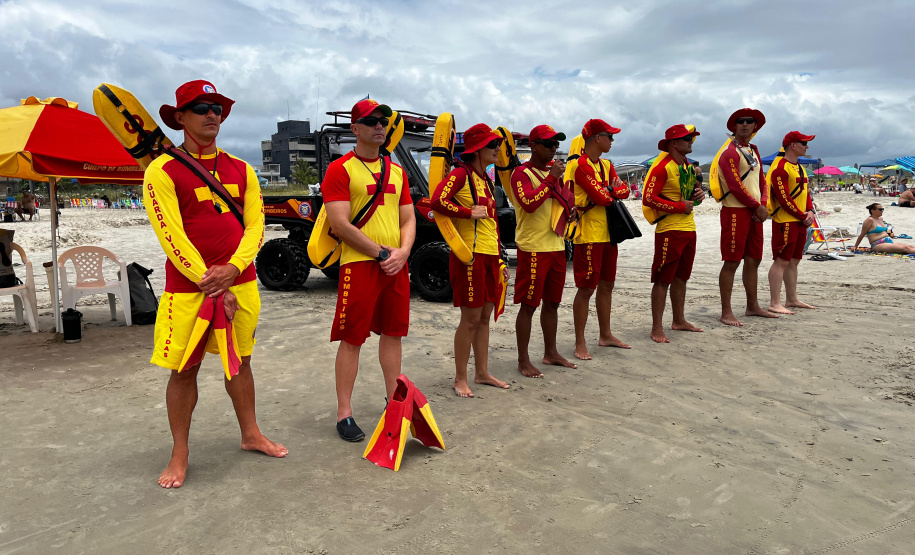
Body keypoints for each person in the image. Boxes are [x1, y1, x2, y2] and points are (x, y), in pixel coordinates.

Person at [144, 80, 286, 489]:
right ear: (181, 117)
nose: (212, 115)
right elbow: (171, 236)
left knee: (240, 362)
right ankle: (180, 453)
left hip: (241, 285)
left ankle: (250, 433)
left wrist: (234, 269)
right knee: (184, 370)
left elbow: (256, 224)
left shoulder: (241, 169)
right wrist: (212, 282)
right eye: (202, 107)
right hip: (189, 291)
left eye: (218, 109)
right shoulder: (162, 170)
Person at [322, 98, 415, 441]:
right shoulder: (341, 169)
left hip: (395, 265)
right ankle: (344, 412)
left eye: (384, 120)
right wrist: (380, 253)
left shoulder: (398, 171)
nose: (380, 125)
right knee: (352, 338)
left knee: (393, 334)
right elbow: (340, 223)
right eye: (372, 120)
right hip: (361, 264)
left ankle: (395, 402)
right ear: (355, 128)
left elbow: (408, 217)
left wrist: (403, 252)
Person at [431, 123, 511, 398]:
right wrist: (466, 212)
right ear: (478, 150)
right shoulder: (461, 174)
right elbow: (436, 201)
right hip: (470, 258)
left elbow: (492, 225)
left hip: (489, 257)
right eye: (492, 146)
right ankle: (460, 378)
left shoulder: (486, 179)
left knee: (485, 318)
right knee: (470, 319)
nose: (497, 149)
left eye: (498, 145)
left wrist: (501, 260)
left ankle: (482, 373)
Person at [510, 125, 577, 378]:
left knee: (553, 303)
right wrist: (551, 179)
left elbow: (561, 203)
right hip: (533, 248)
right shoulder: (521, 173)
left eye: (556, 145)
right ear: (534, 146)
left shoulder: (554, 175)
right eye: (548, 144)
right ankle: (523, 360)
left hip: (557, 246)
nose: (553, 149)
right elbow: (529, 203)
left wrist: (571, 211)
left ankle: (551, 352)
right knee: (528, 305)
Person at [568, 119, 631, 360]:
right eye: (609, 136)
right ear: (597, 138)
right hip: (589, 235)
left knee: (607, 285)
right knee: (586, 288)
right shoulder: (580, 165)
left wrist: (610, 190)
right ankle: (580, 341)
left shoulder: (605, 164)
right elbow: (603, 197)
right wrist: (611, 190)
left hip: (608, 234)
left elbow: (621, 191)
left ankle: (605, 334)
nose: (612, 141)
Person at [642, 124, 705, 343]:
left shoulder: (687, 167)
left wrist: (698, 196)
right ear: (673, 143)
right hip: (669, 230)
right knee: (662, 279)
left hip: (689, 227)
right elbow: (648, 198)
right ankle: (656, 327)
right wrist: (680, 206)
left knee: (682, 277)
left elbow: (689, 199)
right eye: (687, 138)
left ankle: (678, 320)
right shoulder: (662, 167)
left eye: (692, 138)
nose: (691, 141)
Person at [715, 108, 777, 327]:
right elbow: (734, 185)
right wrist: (755, 206)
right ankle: (726, 311)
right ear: (734, 126)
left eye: (749, 122)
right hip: (735, 211)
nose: (744, 125)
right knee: (731, 261)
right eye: (740, 122)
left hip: (754, 212)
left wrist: (762, 204)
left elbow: (762, 181)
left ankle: (752, 306)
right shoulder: (729, 152)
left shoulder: (753, 150)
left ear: (755, 127)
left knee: (754, 259)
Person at [766, 131, 817, 315]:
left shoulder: (800, 167)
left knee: (794, 261)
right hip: (786, 220)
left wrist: (810, 211)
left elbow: (806, 193)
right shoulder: (780, 167)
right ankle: (774, 302)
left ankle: (792, 298)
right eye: (803, 143)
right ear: (792, 145)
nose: (807, 146)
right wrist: (803, 215)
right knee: (781, 260)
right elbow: (783, 198)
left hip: (800, 220)